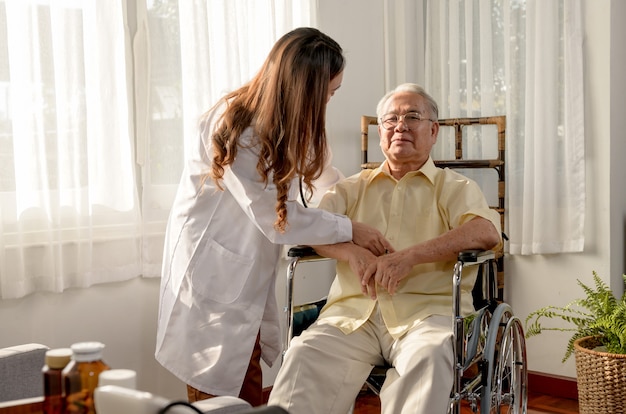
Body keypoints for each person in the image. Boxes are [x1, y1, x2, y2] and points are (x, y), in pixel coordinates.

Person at [155, 27, 392, 407]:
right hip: (212, 276)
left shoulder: (287, 124)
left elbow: (326, 179)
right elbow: (275, 217)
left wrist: (366, 196)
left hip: (243, 273)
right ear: (304, 89)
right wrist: (351, 231)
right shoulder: (235, 126)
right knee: (218, 396)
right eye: (328, 94)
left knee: (243, 379)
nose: (329, 102)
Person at [268, 83, 502, 414]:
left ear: (433, 131)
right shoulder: (350, 188)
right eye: (390, 119)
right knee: (305, 354)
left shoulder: (456, 187)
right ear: (380, 133)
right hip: (352, 316)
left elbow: (486, 231)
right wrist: (350, 251)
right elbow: (307, 229)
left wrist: (410, 257)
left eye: (412, 116)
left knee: (429, 358)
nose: (400, 125)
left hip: (427, 316)